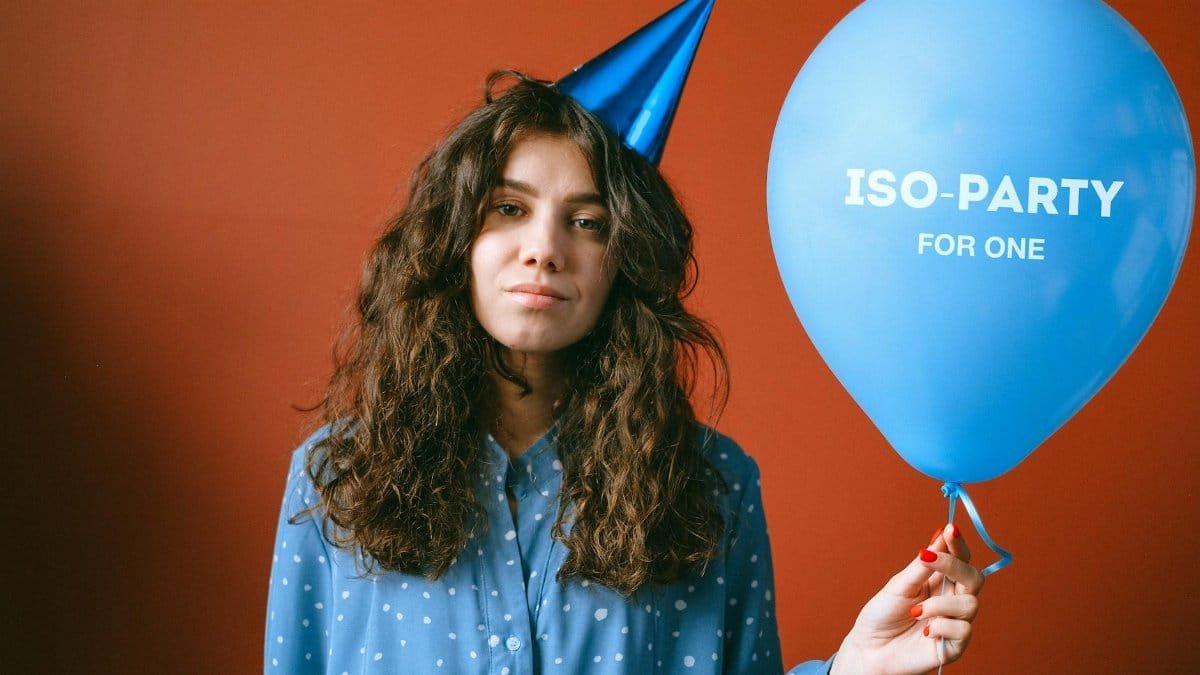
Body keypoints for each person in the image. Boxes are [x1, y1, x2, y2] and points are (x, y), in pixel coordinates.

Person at [264, 5, 983, 674]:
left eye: (588, 222)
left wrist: (855, 668)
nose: (544, 249)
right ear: (453, 239)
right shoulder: (335, 478)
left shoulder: (713, 484)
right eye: (508, 209)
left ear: (625, 261)